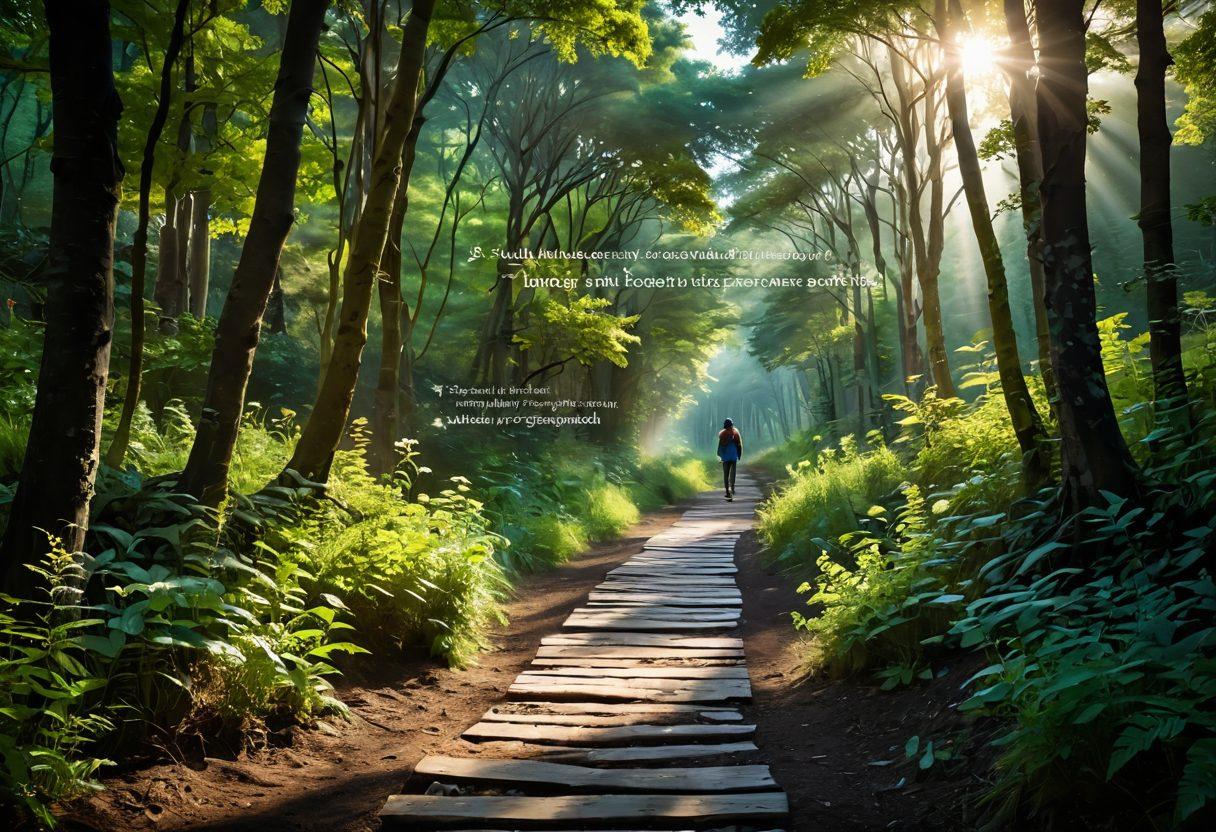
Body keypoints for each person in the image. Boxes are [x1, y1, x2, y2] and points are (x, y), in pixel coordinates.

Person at [716, 418, 742, 500]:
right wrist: (739, 455)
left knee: (727, 474)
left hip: (727, 457)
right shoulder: (735, 433)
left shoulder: (723, 434)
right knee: (731, 474)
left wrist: (720, 455)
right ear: (731, 425)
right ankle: (731, 489)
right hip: (732, 457)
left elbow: (720, 447)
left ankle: (728, 491)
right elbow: (739, 446)